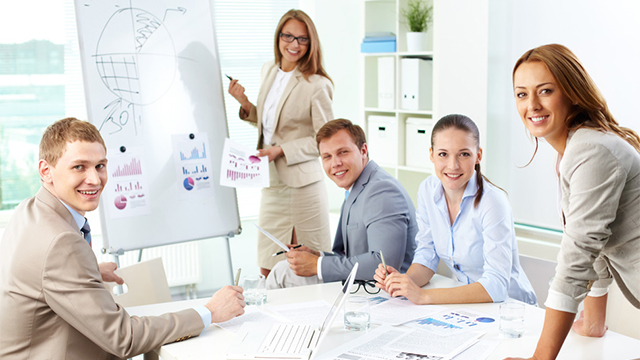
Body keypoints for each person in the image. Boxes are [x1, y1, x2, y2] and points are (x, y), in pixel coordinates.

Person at [0, 118, 246, 359]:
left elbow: (39, 271)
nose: (95, 180)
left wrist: (87, 270)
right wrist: (208, 312)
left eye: (100, 166)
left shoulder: (30, 210)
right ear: (46, 171)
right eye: (79, 167)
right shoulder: (61, 243)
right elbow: (123, 338)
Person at [506, 44, 640, 360]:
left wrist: (541, 358)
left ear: (572, 92)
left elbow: (578, 253)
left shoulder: (592, 150)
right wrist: (593, 322)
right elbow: (594, 242)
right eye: (522, 94)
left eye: (545, 91)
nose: (532, 105)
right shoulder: (575, 150)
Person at [375, 114, 537, 306]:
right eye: (443, 154)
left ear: (478, 155)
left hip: (512, 309)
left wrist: (423, 296)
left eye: (464, 154)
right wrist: (404, 283)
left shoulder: (493, 202)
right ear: (431, 155)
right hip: (468, 307)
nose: (453, 165)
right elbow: (427, 255)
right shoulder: (428, 191)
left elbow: (496, 286)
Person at [228, 9, 334, 277]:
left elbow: (325, 139)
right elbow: (269, 123)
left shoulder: (317, 84)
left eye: (302, 39)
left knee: (302, 265)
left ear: (311, 43)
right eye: (288, 36)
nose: (294, 44)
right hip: (272, 182)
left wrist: (281, 150)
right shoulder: (269, 70)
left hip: (302, 186)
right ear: (278, 37)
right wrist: (244, 103)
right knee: (267, 264)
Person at [266, 119, 417, 288]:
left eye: (343, 152)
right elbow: (349, 256)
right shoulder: (356, 188)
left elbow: (384, 264)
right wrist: (318, 256)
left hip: (382, 289)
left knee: (282, 273)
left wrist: (317, 265)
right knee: (284, 270)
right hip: (361, 282)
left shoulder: (381, 191)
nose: (335, 163)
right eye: (327, 157)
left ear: (363, 150)